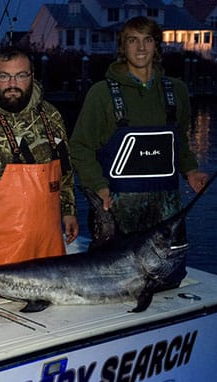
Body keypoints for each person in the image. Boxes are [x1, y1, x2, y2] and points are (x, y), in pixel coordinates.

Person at [0, 45, 79, 302]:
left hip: (49, 245)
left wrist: (69, 210)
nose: (12, 84)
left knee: (51, 316)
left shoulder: (51, 116)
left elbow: (65, 169)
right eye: (4, 76)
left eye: (21, 75)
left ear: (32, 76)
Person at [69, 16, 208, 239]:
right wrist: (98, 186)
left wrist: (191, 171)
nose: (141, 47)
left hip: (166, 209)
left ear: (157, 46)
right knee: (115, 271)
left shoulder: (177, 91)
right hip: (116, 207)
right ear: (123, 47)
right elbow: (79, 147)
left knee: (169, 270)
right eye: (133, 40)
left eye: (148, 40)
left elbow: (179, 140)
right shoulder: (101, 93)